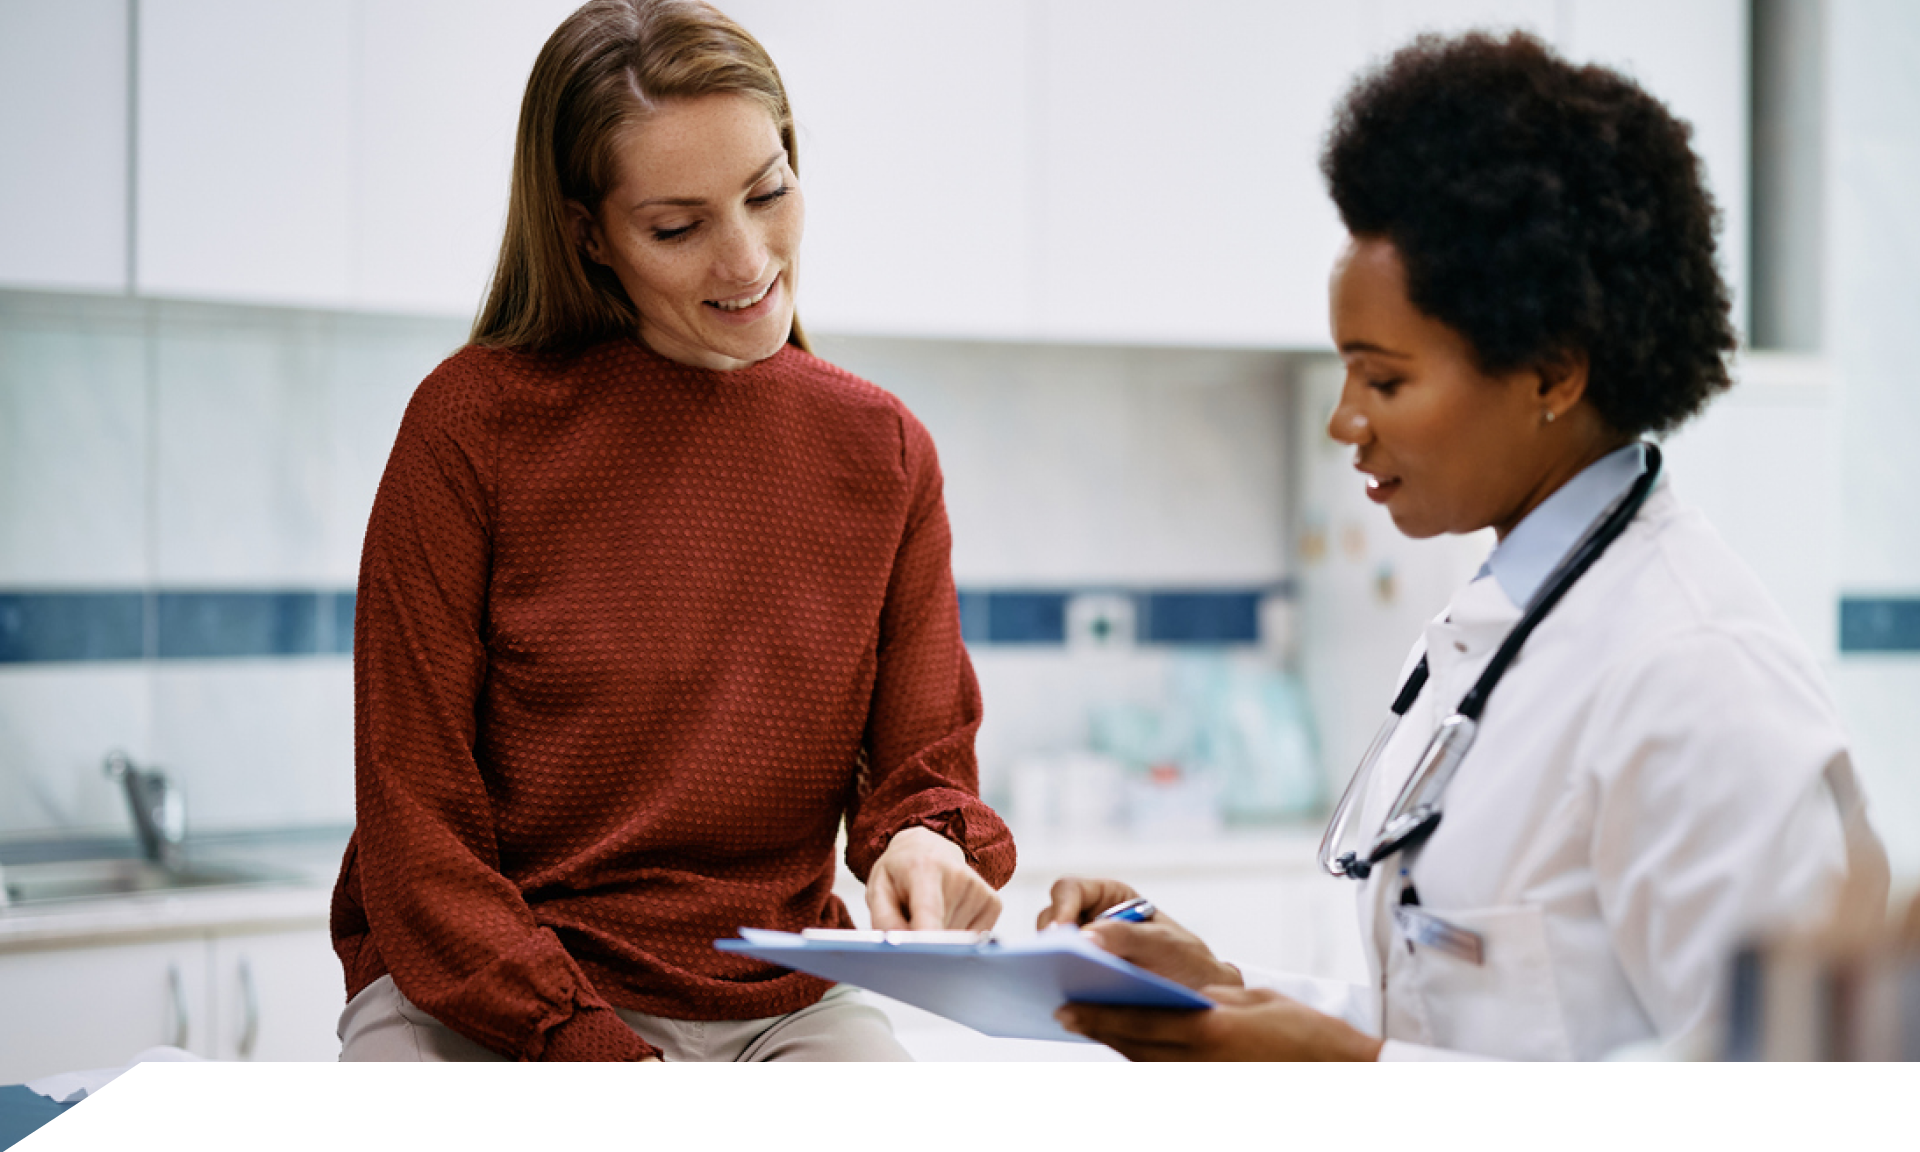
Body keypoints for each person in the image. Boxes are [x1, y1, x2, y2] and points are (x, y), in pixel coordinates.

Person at [1041, 31, 1888, 1061]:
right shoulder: (1497, 629)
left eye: (1384, 379)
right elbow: (1481, 1016)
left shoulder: (1696, 675)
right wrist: (1227, 993)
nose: (1344, 420)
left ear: (1551, 373)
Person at [331, 0, 1013, 1062]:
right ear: (586, 231)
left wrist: (922, 843)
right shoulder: (471, 428)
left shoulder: (884, 453)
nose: (747, 261)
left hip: (782, 1000)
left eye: (769, 193)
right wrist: (587, 1042)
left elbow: (922, 767)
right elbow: (415, 839)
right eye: (678, 226)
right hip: (485, 997)